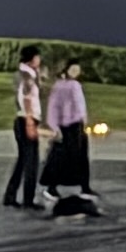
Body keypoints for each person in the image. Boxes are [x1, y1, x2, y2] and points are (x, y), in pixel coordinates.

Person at [41, 59, 99, 217]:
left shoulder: (76, 85)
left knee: (81, 156)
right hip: (66, 127)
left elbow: (81, 106)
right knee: (60, 157)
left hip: (78, 126)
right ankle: (51, 187)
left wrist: (84, 121)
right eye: (73, 69)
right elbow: (53, 107)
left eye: (77, 69)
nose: (75, 72)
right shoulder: (60, 86)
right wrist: (54, 127)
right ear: (66, 70)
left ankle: (84, 186)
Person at [3, 44, 48, 210]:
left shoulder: (26, 74)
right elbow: (27, 99)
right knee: (31, 162)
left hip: (22, 120)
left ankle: (10, 196)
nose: (39, 59)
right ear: (32, 58)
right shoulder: (27, 76)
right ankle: (28, 200)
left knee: (23, 160)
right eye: (37, 57)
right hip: (27, 120)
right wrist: (30, 121)